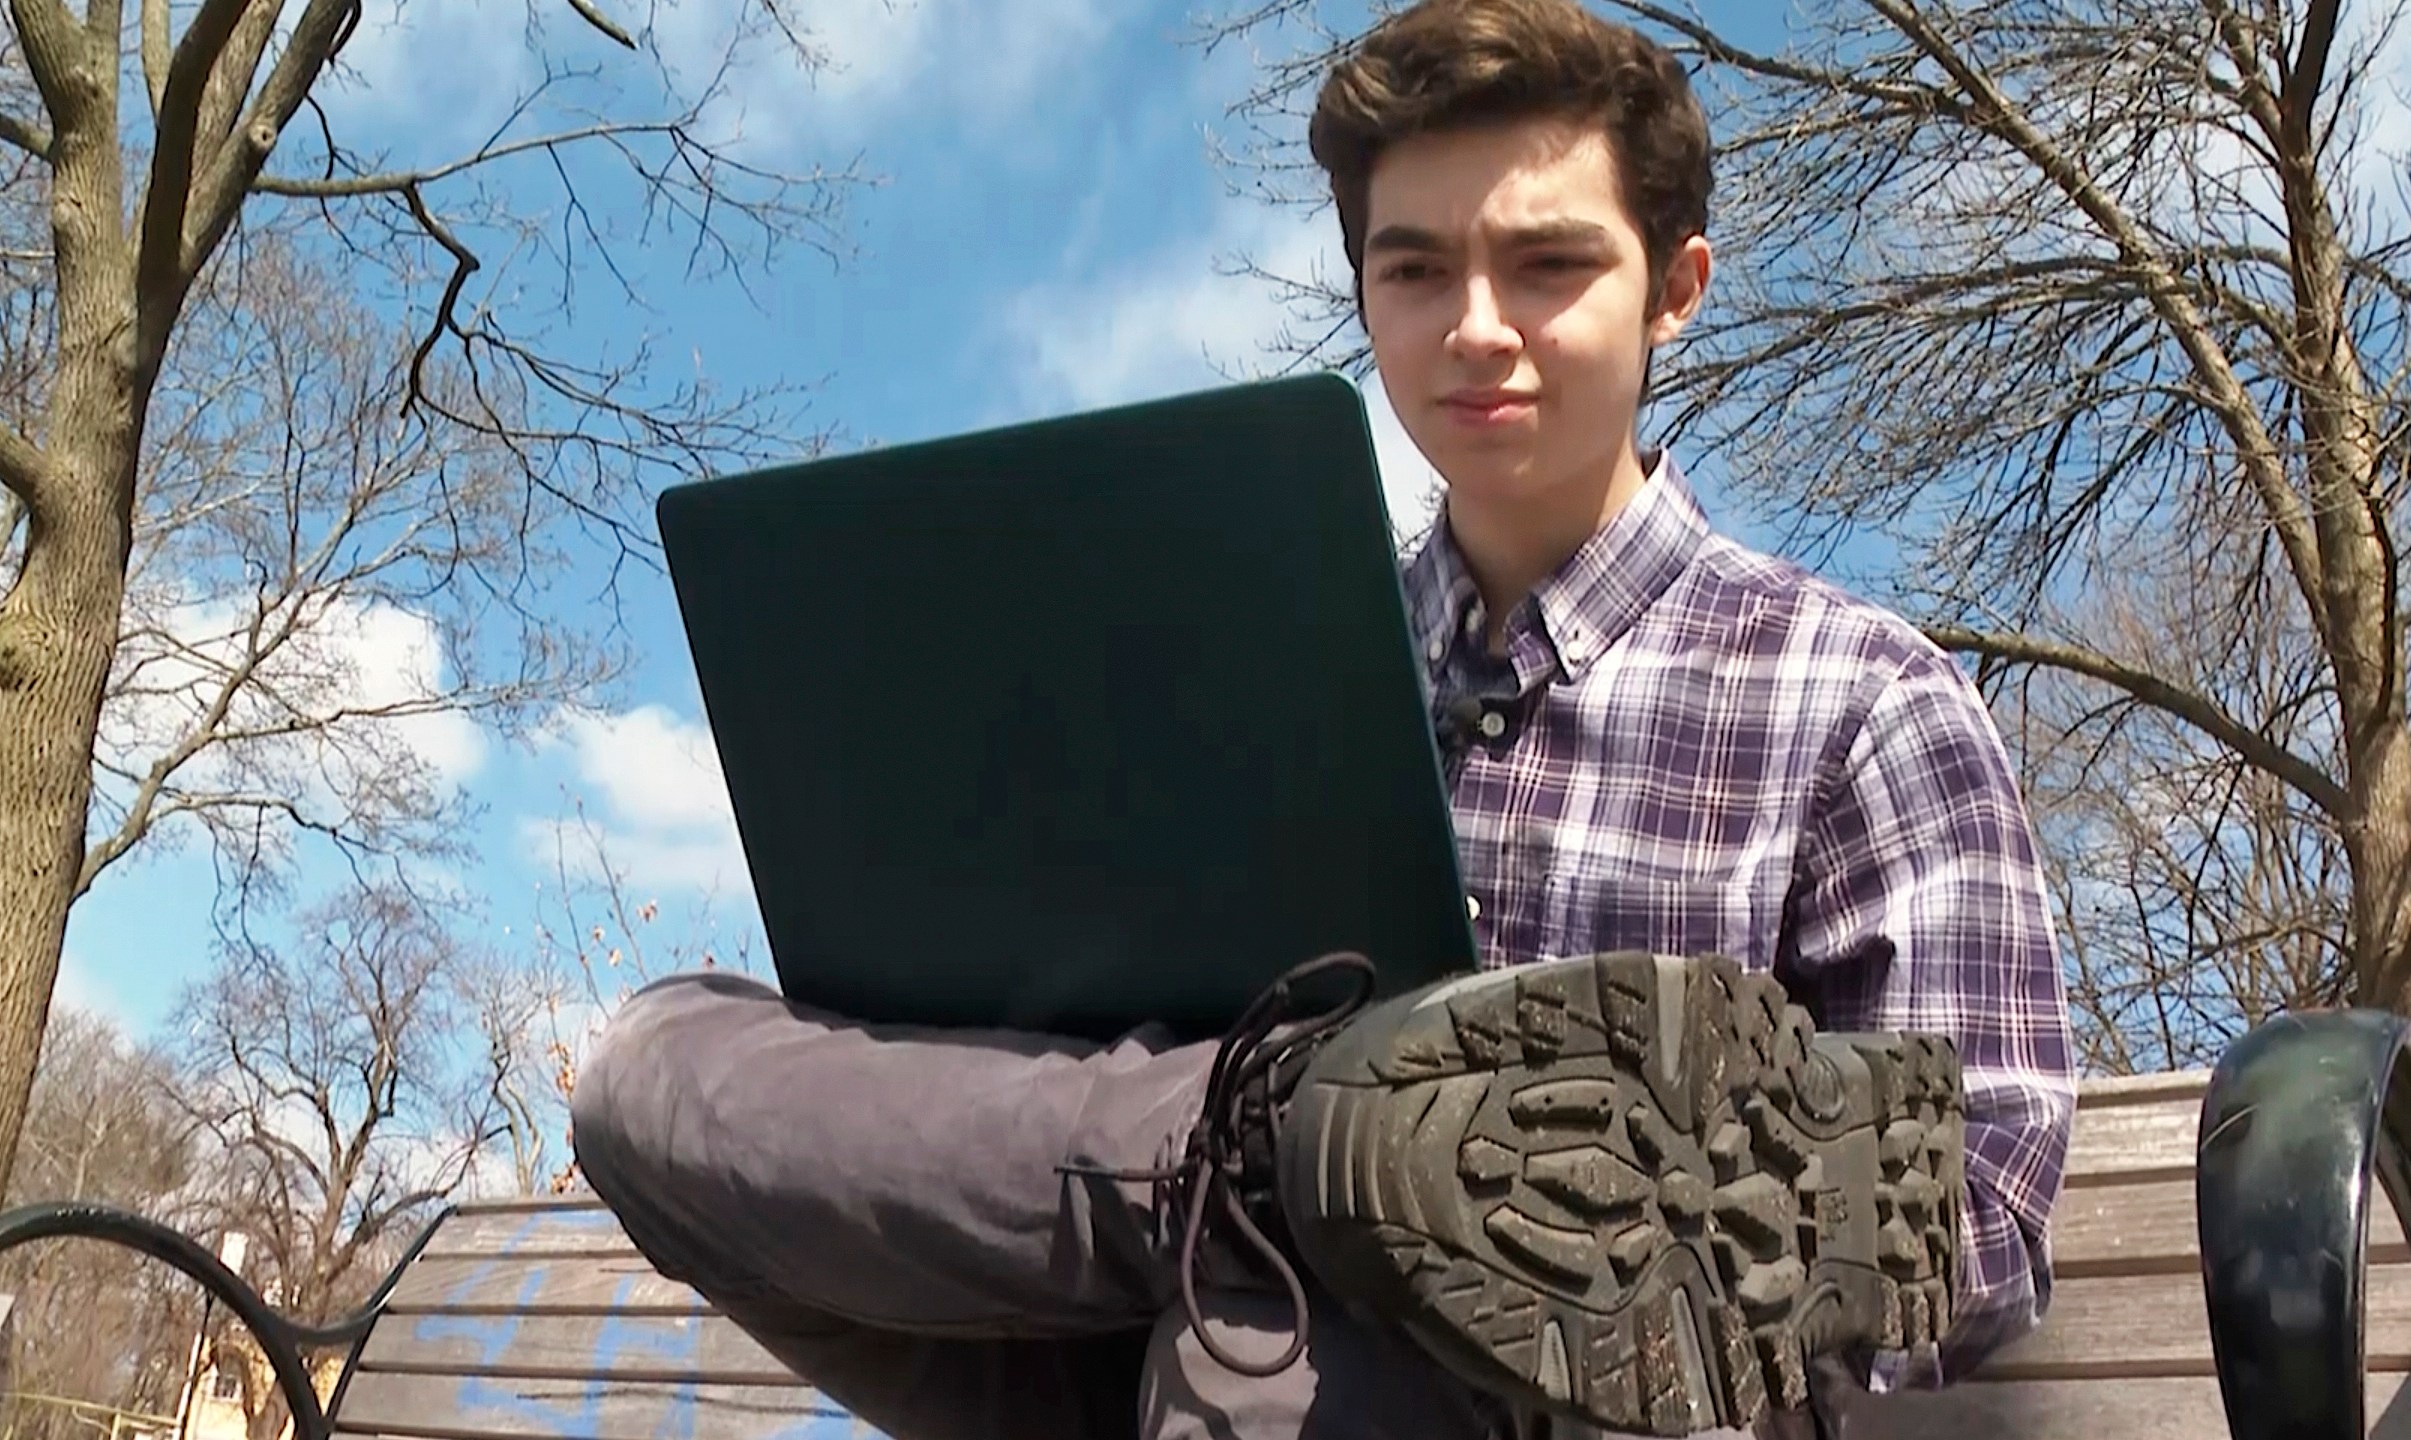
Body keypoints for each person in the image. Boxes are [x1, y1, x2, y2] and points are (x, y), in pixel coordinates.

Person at [568, 2, 2078, 1436]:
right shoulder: (1234, 654)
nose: (1475, 328)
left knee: (1307, 1357)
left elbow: (1987, 1212)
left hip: (1545, 1410)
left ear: (1675, 286)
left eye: (1546, 265)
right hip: (1138, 1320)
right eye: (1415, 271)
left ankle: (1323, 1171)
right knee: (651, 1075)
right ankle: (1277, 1142)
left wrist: (1606, 1225)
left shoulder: (1861, 701)